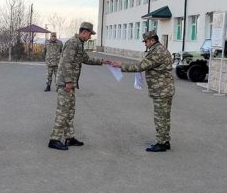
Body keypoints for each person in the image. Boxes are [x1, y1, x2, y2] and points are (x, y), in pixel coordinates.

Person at [111, 30, 175, 152]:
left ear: (152, 40)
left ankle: (161, 143)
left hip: (161, 90)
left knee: (160, 117)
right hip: (165, 89)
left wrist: (121, 65)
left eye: (146, 41)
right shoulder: (161, 49)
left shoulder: (157, 52)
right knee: (164, 116)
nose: (145, 44)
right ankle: (165, 140)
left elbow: (140, 66)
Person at [48, 22, 106, 151]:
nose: (90, 37)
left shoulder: (79, 44)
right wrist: (68, 82)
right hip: (65, 83)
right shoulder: (73, 43)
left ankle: (69, 137)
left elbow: (85, 58)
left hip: (70, 83)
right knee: (63, 111)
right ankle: (54, 139)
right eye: (90, 34)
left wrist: (102, 61)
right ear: (84, 32)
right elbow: (66, 63)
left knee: (70, 111)